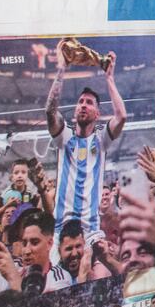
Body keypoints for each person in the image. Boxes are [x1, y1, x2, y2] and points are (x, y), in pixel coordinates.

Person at [45, 47, 127, 238]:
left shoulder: (100, 140)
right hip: (61, 231)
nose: (83, 105)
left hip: (90, 231)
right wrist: (62, 69)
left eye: (89, 103)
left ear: (97, 114)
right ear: (75, 110)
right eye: (81, 101)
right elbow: (50, 111)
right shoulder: (64, 137)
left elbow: (121, 116)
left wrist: (109, 79)